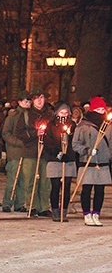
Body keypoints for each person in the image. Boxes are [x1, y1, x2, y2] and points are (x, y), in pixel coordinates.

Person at [72, 96, 111, 226]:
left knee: (100, 190)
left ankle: (96, 213)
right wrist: (87, 150)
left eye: (102, 109)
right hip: (88, 162)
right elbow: (75, 144)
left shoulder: (108, 126)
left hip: (103, 163)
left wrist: (109, 154)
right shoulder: (84, 126)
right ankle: (87, 214)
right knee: (87, 189)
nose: (101, 112)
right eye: (98, 109)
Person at [16, 87, 53, 217]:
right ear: (32, 100)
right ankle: (31, 204)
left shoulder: (50, 115)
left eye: (41, 98)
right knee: (30, 180)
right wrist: (34, 133)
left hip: (45, 152)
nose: (39, 101)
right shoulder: (25, 115)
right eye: (36, 98)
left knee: (45, 181)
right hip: (30, 151)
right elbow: (19, 133)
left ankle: (44, 206)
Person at [43, 103, 76, 222]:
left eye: (66, 112)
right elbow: (48, 141)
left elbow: (74, 141)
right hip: (55, 159)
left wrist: (69, 152)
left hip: (69, 159)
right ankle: (55, 210)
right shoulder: (51, 125)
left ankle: (64, 211)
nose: (64, 114)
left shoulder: (72, 125)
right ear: (57, 113)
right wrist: (58, 152)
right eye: (62, 112)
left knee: (66, 187)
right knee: (55, 186)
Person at [1, 91, 32, 212]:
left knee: (24, 180)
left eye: (29, 101)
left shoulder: (31, 115)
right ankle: (7, 202)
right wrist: (17, 142)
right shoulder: (13, 116)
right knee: (13, 178)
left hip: (27, 151)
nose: (28, 104)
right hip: (15, 151)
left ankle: (20, 203)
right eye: (25, 101)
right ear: (19, 102)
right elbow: (6, 133)